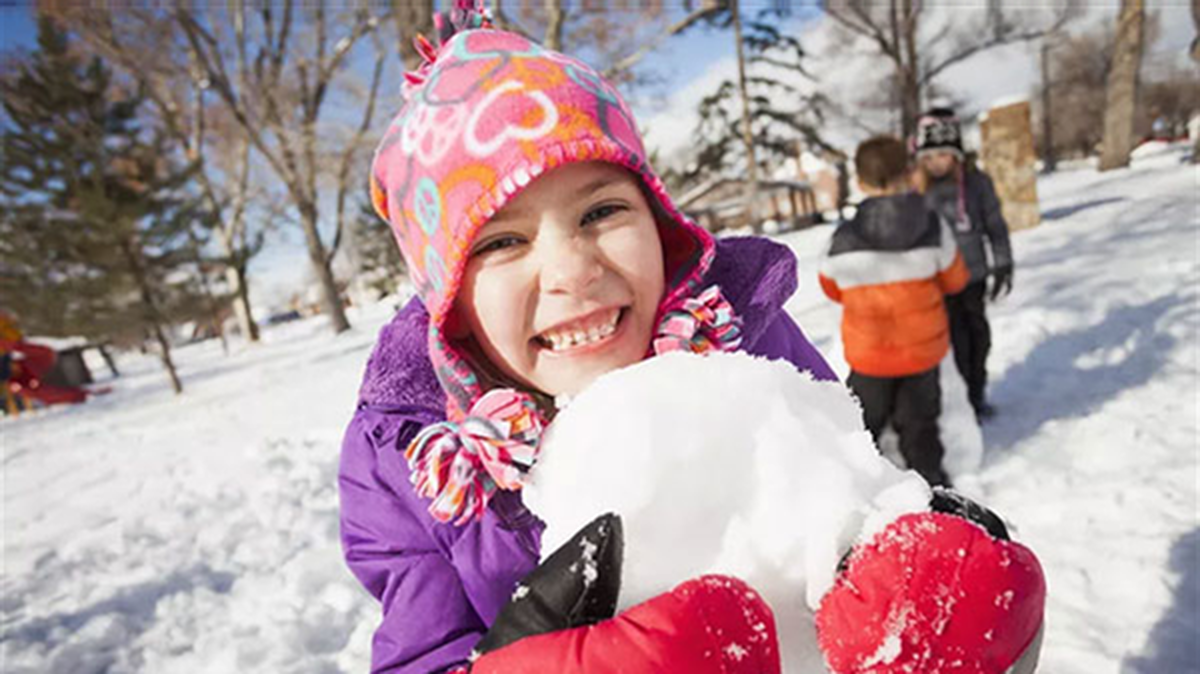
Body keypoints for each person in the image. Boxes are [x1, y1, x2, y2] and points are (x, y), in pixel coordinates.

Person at [340, 4, 1044, 672]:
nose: (573, 271)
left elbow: (854, 504)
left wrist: (954, 609)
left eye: (602, 210)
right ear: (450, 301)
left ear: (660, 223)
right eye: (502, 240)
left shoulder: (743, 342)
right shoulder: (413, 470)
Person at [818, 136, 969, 488]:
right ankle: (931, 486)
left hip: (869, 355)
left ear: (859, 182)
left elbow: (831, 287)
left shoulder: (843, 238)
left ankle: (862, 486)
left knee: (862, 427)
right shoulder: (932, 227)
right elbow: (955, 278)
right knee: (921, 428)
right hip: (922, 354)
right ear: (908, 173)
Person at [914, 107, 1014, 419]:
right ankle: (961, 404)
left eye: (942, 155)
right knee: (955, 342)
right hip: (938, 282)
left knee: (978, 338)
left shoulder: (976, 183)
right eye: (928, 157)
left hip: (973, 276)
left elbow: (995, 225)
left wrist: (1003, 263)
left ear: (956, 153)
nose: (935, 163)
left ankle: (977, 393)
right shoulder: (919, 189)